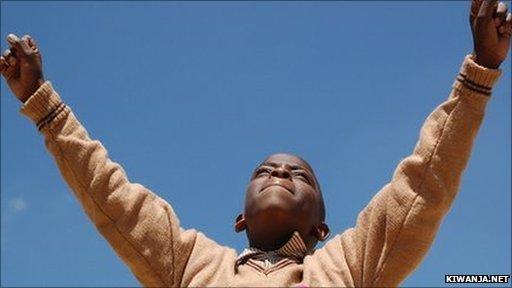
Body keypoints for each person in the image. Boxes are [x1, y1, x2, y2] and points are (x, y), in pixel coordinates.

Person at [1, 0, 510, 287]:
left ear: (321, 228)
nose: (280, 174)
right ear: (239, 219)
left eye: (300, 176)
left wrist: (480, 71)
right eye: (264, 171)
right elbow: (111, 196)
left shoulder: (350, 267)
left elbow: (422, 186)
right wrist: (43, 105)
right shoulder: (189, 264)